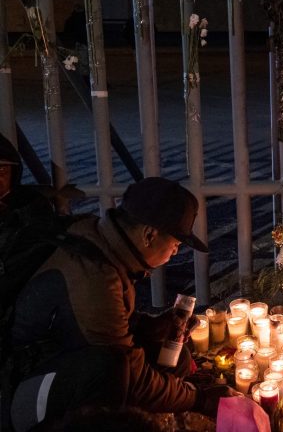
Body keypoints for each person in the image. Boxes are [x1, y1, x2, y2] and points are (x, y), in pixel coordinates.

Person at [8, 177, 233, 430]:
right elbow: (131, 375)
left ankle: (153, 410)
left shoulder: (99, 239)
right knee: (112, 369)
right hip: (24, 395)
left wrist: (150, 327)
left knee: (170, 352)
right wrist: (199, 399)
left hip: (62, 361)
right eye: (176, 244)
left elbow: (99, 324)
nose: (176, 252)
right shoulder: (94, 276)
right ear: (149, 235)